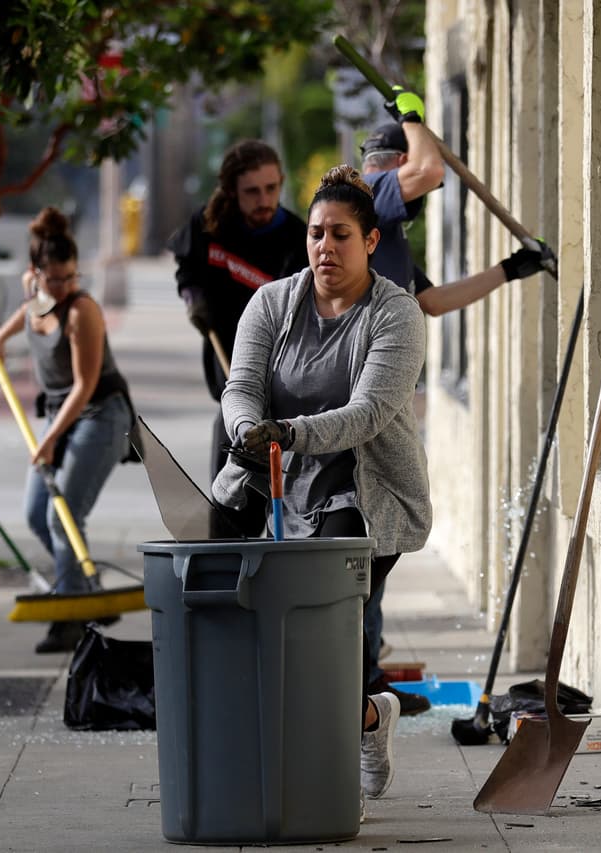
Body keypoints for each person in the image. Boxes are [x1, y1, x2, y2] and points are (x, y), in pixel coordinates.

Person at [212, 165, 431, 813]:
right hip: (275, 481)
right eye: (314, 233)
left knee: (320, 634)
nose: (324, 247)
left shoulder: (396, 315)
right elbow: (240, 388)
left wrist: (288, 433)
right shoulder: (274, 304)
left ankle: (336, 761)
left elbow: (367, 413)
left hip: (365, 500)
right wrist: (250, 429)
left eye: (340, 234)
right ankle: (350, 718)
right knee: (232, 610)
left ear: (370, 241)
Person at [358, 97, 552, 714]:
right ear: (391, 166)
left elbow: (430, 302)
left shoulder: (387, 236)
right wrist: (414, 109)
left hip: (382, 404)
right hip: (361, 405)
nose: (418, 204)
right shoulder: (374, 197)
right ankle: (359, 686)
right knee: (366, 551)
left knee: (377, 544)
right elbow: (430, 170)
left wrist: (508, 270)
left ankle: (366, 679)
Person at [0, 207, 134, 654]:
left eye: (71, 278)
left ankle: (71, 619)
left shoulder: (83, 311)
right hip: (60, 414)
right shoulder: (34, 292)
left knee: (62, 514)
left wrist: (47, 441)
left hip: (100, 414)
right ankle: (89, 591)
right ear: (35, 275)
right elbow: (28, 311)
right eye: (55, 280)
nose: (64, 288)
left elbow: (84, 387)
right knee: (36, 513)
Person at [167, 139, 308, 525]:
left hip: (279, 389)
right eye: (252, 192)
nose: (264, 200)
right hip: (229, 375)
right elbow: (186, 266)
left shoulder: (297, 242)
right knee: (229, 500)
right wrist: (192, 295)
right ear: (232, 191)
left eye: (271, 188)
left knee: (281, 499)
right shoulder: (209, 226)